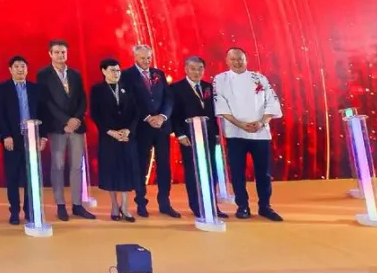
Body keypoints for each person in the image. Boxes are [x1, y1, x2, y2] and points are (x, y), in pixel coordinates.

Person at [213, 47, 284, 221]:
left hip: (260, 133)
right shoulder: (220, 79)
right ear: (227, 61)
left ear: (246, 60)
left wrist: (262, 122)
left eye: (240, 59)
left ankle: (265, 206)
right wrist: (240, 124)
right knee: (237, 172)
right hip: (235, 133)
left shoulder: (259, 78)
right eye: (233, 59)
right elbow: (221, 106)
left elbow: (272, 102)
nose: (237, 62)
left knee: (263, 173)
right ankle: (242, 206)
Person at [37, 40, 95, 221]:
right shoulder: (43, 75)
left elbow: (82, 99)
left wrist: (76, 119)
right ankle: (60, 205)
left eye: (63, 52)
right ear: (50, 54)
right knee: (58, 166)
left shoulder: (75, 74)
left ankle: (77, 205)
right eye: (57, 52)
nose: (60, 55)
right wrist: (65, 121)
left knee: (77, 166)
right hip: (57, 127)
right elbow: (46, 102)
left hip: (77, 127)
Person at [121, 45, 179, 218]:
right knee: (141, 165)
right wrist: (147, 117)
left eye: (148, 58)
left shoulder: (158, 73)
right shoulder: (127, 75)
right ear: (135, 57)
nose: (146, 61)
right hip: (141, 127)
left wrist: (162, 116)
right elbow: (130, 100)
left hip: (161, 128)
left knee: (164, 166)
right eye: (143, 58)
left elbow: (168, 97)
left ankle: (165, 203)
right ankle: (141, 202)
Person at [171, 56, 228, 220]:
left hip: (209, 135)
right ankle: (197, 205)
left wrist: (216, 133)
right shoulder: (176, 88)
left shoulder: (208, 87)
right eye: (193, 69)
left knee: (212, 170)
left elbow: (213, 113)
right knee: (193, 171)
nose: (197, 72)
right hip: (189, 136)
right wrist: (180, 134)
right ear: (186, 69)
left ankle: (212, 205)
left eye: (200, 69)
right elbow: (174, 114)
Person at [0, 55, 45, 225]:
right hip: (12, 138)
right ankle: (14, 211)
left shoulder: (35, 89)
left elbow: (43, 113)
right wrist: (6, 136)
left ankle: (29, 210)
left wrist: (42, 136)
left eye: (23, 66)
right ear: (10, 69)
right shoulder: (3, 89)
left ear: (27, 69)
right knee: (12, 178)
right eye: (16, 66)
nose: (20, 69)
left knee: (31, 178)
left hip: (32, 138)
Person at [90, 58, 139, 222]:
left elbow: (136, 112)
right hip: (108, 137)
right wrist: (110, 131)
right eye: (112, 70)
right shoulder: (97, 90)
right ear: (103, 71)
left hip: (126, 136)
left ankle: (125, 206)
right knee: (111, 171)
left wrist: (128, 130)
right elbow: (95, 114)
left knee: (126, 170)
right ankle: (114, 205)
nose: (116, 73)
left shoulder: (128, 87)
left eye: (118, 70)